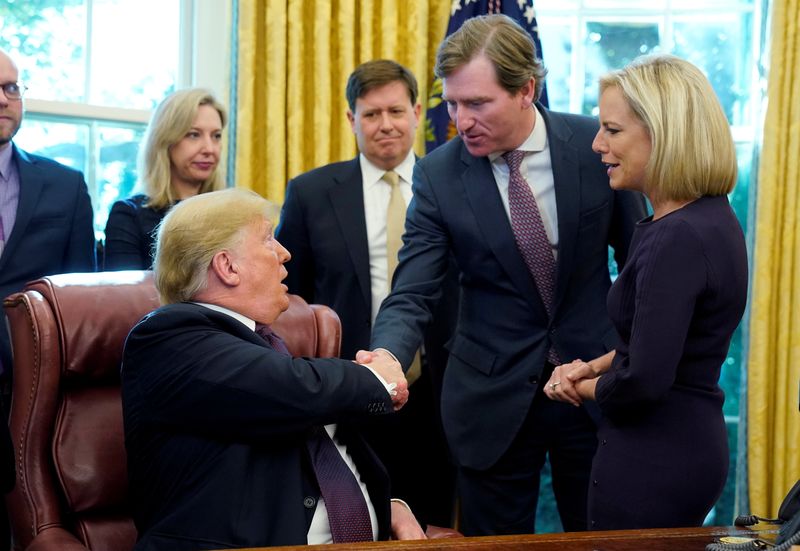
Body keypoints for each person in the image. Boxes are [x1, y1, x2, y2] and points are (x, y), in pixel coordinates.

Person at [358, 14, 648, 536]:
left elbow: (639, 265)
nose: (460, 120)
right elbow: (414, 289)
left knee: (605, 540)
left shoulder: (594, 147)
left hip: (592, 386)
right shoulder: (440, 174)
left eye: (476, 103)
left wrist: (633, 358)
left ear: (525, 90)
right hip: (489, 402)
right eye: (450, 103)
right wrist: (387, 355)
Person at [121, 188, 425, 550]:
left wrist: (388, 507)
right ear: (227, 266)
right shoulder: (168, 338)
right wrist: (377, 379)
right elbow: (294, 388)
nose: (285, 253)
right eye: (268, 238)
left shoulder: (265, 345)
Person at [544, 54, 748, 530]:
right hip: (686, 445)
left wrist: (574, 387)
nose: (597, 144)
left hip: (654, 461)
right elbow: (654, 344)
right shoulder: (710, 216)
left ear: (663, 132)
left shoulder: (674, 237)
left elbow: (644, 381)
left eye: (612, 131)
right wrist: (592, 365)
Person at [275, 59, 458, 528]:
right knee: (359, 518)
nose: (385, 125)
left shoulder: (458, 187)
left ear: (418, 112)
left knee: (436, 520)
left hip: (444, 387)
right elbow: (287, 300)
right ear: (351, 119)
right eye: (371, 114)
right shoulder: (311, 193)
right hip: (349, 386)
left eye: (396, 111)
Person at [0, 48, 95, 550]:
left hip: (33, 396)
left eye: (12, 88)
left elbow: (79, 303)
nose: (4, 98)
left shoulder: (64, 185)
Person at [104, 88, 226, 270]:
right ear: (165, 141)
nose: (210, 148)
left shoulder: (231, 215)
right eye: (194, 134)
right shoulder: (129, 215)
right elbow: (124, 297)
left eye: (216, 136)